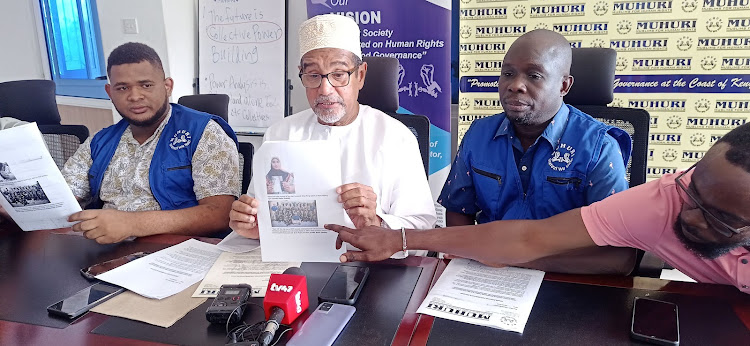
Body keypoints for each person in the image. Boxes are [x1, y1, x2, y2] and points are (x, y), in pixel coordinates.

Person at [326, 122, 750, 293]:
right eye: (692, 189)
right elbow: (527, 236)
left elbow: (618, 261)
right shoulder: (661, 201)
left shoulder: (596, 144)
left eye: (721, 218)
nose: (688, 215)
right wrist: (398, 238)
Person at [439, 29, 636, 274]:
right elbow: (459, 210)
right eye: (508, 73)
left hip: (566, 280)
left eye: (534, 75)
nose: (515, 85)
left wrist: (514, 259)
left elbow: (619, 257)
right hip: (487, 276)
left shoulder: (600, 147)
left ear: (564, 85)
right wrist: (470, 255)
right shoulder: (479, 134)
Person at [229, 14, 436, 243]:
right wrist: (253, 226)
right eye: (314, 75)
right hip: (295, 262)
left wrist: (377, 223)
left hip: (370, 265)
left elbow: (422, 230)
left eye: (338, 74)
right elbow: (259, 215)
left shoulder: (396, 137)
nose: (325, 89)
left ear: (361, 75)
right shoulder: (280, 134)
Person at [60, 42, 240, 244]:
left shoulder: (204, 133)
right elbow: (63, 199)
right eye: (122, 88)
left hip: (173, 251)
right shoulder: (99, 141)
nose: (135, 96)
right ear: (110, 93)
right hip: (104, 249)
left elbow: (220, 214)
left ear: (167, 86)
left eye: (146, 85)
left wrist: (131, 224)